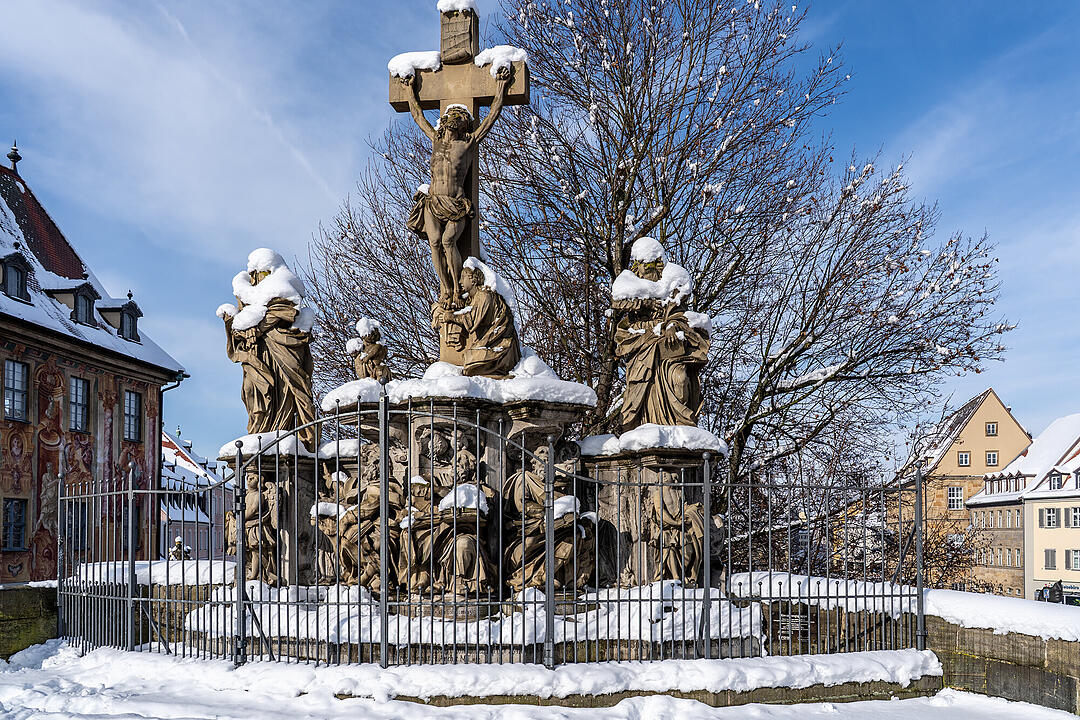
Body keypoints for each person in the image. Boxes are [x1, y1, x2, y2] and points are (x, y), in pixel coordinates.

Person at [401, 68, 512, 306]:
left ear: (463, 124)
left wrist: (501, 86)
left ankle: (456, 291)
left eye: (459, 116)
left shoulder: (468, 143)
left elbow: (492, 116)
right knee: (434, 243)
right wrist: (410, 89)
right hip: (432, 202)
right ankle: (446, 288)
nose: (453, 119)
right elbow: (418, 116)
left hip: (456, 204)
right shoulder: (436, 140)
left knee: (448, 242)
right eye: (451, 116)